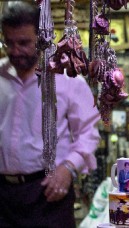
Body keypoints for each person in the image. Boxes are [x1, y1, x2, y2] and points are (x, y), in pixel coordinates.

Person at [0, 3, 101, 227]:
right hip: (3, 196)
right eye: (9, 43)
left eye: (24, 43)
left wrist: (68, 168)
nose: (15, 51)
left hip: (48, 193)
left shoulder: (67, 79)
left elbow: (88, 133)